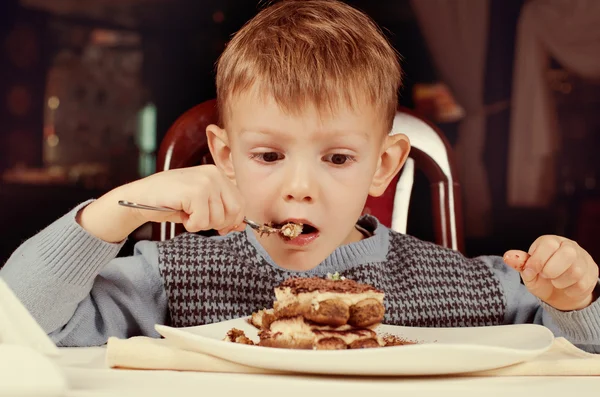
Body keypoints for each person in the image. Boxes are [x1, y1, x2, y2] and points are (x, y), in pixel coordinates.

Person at [1, 0, 599, 352]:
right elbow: (19, 328)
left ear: (383, 166)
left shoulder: (470, 288)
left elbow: (586, 352)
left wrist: (573, 298)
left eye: (337, 159)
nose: (300, 187)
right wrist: (116, 207)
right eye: (268, 156)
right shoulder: (168, 277)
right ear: (225, 157)